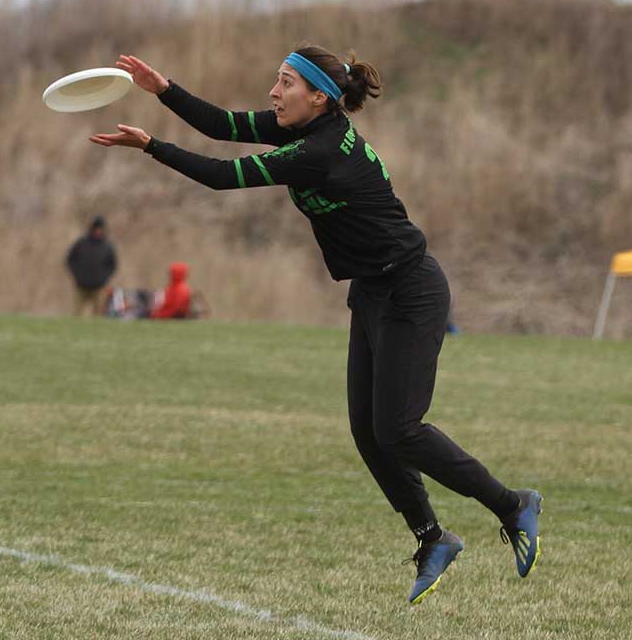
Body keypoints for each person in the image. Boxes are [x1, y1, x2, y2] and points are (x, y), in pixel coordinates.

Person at [90, 49, 543, 604]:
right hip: (374, 291)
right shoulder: (302, 129)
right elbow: (223, 125)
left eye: (285, 83)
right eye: (276, 81)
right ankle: (432, 538)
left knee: (399, 428)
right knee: (367, 430)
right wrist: (163, 88)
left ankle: (513, 505)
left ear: (319, 96)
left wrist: (152, 146)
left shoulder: (319, 151)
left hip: (412, 291)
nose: (273, 92)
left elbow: (220, 175)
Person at [65, 216, 117, 317]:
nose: (98, 231)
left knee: (98, 315)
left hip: (99, 287)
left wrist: (104, 278)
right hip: (81, 286)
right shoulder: (81, 243)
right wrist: (77, 275)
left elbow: (113, 265)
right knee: (77, 314)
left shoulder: (107, 246)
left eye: (100, 229)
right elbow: (70, 260)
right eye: (96, 229)